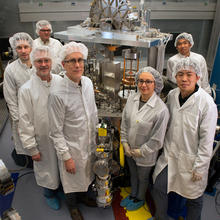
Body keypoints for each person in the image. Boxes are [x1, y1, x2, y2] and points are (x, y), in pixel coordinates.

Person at [153, 57, 217, 220]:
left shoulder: (206, 104)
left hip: (192, 161)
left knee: (194, 199)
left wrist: (201, 167)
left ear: (198, 77)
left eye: (189, 74)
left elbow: (207, 141)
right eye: (180, 74)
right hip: (170, 155)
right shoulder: (173, 95)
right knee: (159, 188)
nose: (184, 78)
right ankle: (161, 218)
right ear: (175, 77)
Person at [48, 42, 98, 220]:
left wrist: (97, 136)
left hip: (89, 142)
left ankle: (84, 197)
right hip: (71, 146)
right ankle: (73, 207)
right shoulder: (57, 94)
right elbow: (55, 131)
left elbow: (92, 112)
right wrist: (66, 157)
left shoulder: (88, 83)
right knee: (71, 179)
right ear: (63, 65)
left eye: (80, 60)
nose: (77, 65)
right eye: (72, 61)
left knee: (86, 175)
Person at [18, 46, 63, 210]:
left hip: (62, 137)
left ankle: (62, 189)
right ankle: (48, 193)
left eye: (47, 60)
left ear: (52, 62)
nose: (43, 64)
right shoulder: (26, 90)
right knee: (47, 167)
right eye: (39, 61)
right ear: (33, 63)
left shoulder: (60, 81)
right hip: (42, 140)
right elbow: (24, 121)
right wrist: (31, 148)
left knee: (62, 165)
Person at [120, 67, 170, 211]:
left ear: (156, 84)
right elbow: (125, 122)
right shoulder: (132, 98)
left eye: (148, 81)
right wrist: (124, 143)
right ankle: (133, 194)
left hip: (146, 155)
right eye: (141, 81)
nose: (143, 85)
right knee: (133, 175)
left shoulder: (161, 109)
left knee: (143, 178)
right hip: (129, 150)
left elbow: (157, 139)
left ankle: (140, 198)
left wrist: (141, 152)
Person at [3, 32, 33, 166]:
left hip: (40, 111)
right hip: (22, 114)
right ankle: (27, 162)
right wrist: (18, 120)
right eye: (19, 48)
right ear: (15, 50)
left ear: (31, 47)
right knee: (26, 143)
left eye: (26, 47)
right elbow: (10, 98)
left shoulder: (39, 64)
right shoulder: (11, 70)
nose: (23, 51)